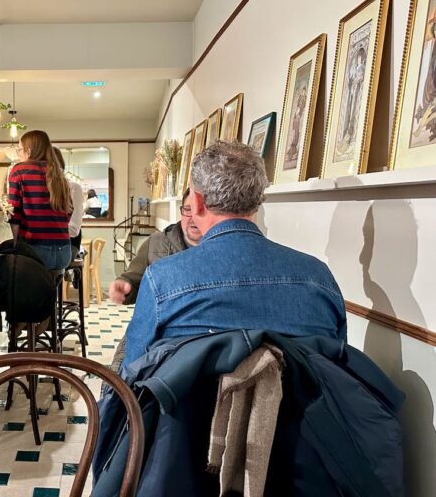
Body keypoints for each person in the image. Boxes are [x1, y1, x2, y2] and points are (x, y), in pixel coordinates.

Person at [123, 141, 347, 368]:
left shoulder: (162, 279)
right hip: (302, 404)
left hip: (192, 404)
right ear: (257, 200)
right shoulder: (320, 279)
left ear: (198, 202)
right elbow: (337, 371)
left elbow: (131, 379)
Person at [108, 188, 202, 305]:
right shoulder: (155, 242)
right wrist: (123, 286)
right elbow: (133, 279)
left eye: (201, 211)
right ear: (181, 211)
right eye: (188, 209)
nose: (194, 218)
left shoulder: (224, 248)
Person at [8, 131, 72, 270]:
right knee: (48, 289)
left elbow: (14, 213)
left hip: (37, 250)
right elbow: (69, 211)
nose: (18, 154)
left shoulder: (19, 170)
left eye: (19, 149)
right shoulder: (57, 172)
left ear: (28, 151)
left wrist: (15, 243)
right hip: (65, 252)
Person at [53, 146, 85, 253]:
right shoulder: (38, 188)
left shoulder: (74, 188)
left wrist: (45, 228)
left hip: (70, 244)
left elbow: (73, 230)